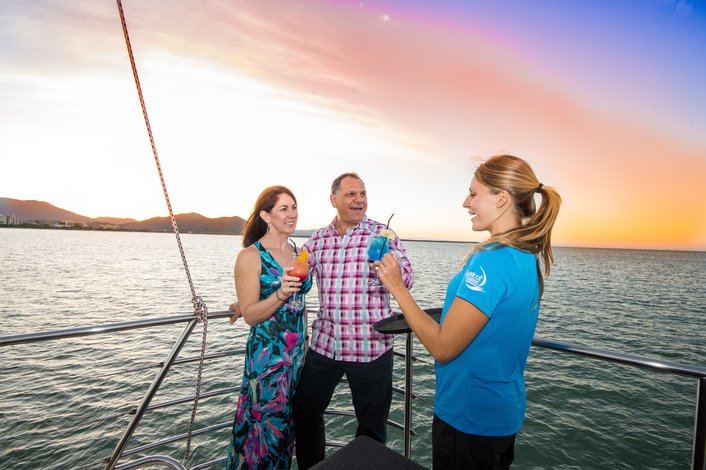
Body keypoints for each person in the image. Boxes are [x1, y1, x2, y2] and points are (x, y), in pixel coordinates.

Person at [375, 155, 561, 470]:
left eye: (473, 193)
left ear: (501, 198)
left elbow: (443, 347)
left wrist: (397, 288)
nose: (466, 202)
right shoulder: (524, 255)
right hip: (500, 415)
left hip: (469, 418)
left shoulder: (492, 260)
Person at [292, 172, 414, 470]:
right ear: (333, 199)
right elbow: (300, 278)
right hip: (325, 345)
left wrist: (388, 269)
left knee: (371, 430)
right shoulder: (317, 239)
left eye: (363, 194)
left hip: (370, 347)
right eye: (351, 194)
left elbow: (408, 279)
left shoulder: (383, 235)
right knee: (304, 410)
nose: (359, 200)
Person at [225, 185, 312, 469]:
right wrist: (279, 294)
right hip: (268, 360)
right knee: (263, 432)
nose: (291, 214)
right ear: (266, 215)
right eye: (283, 209)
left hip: (296, 359)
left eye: (294, 207)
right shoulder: (250, 256)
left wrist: (306, 343)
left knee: (285, 433)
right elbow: (251, 316)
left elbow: (301, 304)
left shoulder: (299, 253)